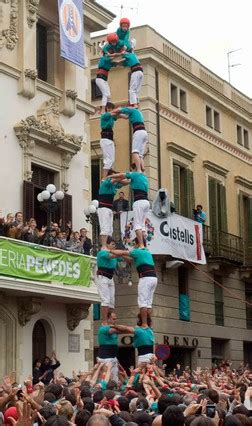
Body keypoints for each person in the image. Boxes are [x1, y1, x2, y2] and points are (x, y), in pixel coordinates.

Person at [111, 237, 157, 325]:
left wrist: (109, 250)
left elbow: (122, 252)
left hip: (145, 278)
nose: (133, 246)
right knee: (148, 304)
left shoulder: (137, 251)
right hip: (153, 278)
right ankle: (148, 323)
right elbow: (130, 260)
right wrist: (121, 256)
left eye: (134, 244)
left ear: (137, 243)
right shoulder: (147, 252)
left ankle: (144, 323)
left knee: (142, 302)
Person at [112, 165, 149, 248]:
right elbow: (126, 181)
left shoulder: (135, 174)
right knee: (142, 225)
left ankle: (142, 245)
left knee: (137, 226)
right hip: (146, 201)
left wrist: (110, 177)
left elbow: (122, 176)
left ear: (134, 169)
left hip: (139, 201)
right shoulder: (144, 177)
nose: (130, 171)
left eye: (131, 170)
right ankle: (144, 245)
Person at [96, 237, 129, 323]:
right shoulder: (102, 252)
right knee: (105, 300)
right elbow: (112, 255)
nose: (114, 246)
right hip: (102, 277)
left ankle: (109, 318)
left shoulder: (115, 255)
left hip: (110, 278)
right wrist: (123, 252)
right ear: (107, 244)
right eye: (112, 244)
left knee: (111, 303)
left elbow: (126, 258)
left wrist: (131, 253)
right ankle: (104, 321)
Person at [97, 171, 128, 250]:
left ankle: (108, 245)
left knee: (110, 229)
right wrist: (123, 175)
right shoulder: (106, 182)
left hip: (109, 208)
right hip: (103, 208)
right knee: (105, 228)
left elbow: (125, 183)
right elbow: (115, 180)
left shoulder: (114, 184)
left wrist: (132, 177)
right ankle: (103, 246)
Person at [114, 107, 148, 171]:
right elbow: (125, 117)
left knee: (135, 152)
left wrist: (111, 112)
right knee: (140, 155)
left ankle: (139, 170)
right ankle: (142, 168)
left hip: (138, 132)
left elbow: (119, 109)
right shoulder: (137, 113)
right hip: (144, 133)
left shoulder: (132, 110)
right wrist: (118, 115)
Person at [97, 311, 120, 382]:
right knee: (106, 379)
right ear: (108, 319)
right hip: (106, 358)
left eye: (116, 319)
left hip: (113, 357)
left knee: (114, 379)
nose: (115, 321)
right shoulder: (103, 329)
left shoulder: (114, 328)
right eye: (113, 319)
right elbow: (118, 330)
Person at [100, 102, 118, 178]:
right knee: (108, 160)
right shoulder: (105, 115)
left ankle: (109, 176)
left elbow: (119, 116)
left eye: (112, 109)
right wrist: (123, 110)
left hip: (110, 139)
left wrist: (129, 114)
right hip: (105, 138)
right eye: (110, 108)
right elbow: (114, 114)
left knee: (112, 160)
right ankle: (104, 179)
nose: (111, 110)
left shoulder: (111, 116)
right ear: (107, 108)